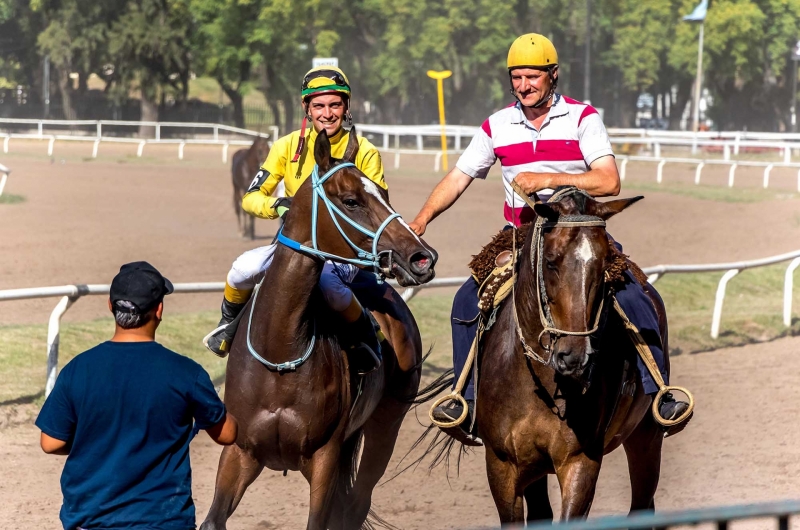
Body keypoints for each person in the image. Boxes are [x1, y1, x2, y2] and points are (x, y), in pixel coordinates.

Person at [408, 33, 689, 438]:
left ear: (553, 76)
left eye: (533, 77)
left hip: (580, 235)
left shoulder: (583, 118)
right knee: (466, 300)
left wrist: (547, 178)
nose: (524, 86)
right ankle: (465, 399)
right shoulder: (497, 125)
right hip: (519, 237)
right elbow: (459, 177)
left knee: (635, 295)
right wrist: (421, 220)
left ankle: (659, 391)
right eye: (517, 77)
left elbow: (609, 181)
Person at [205, 66, 386, 374]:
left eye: (335, 105)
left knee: (328, 283)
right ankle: (228, 326)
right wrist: (278, 206)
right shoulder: (286, 146)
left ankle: (366, 336)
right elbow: (250, 197)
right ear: (306, 108)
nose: (327, 114)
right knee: (241, 270)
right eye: (319, 106)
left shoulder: (365, 151)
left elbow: (376, 210)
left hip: (343, 251)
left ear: (346, 106)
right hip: (295, 243)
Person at [36, 261, 238, 530]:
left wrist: (101, 442)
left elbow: (50, 442)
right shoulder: (186, 373)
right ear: (159, 310)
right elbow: (227, 434)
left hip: (89, 520)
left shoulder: (77, 369)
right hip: (164, 521)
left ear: (110, 306)